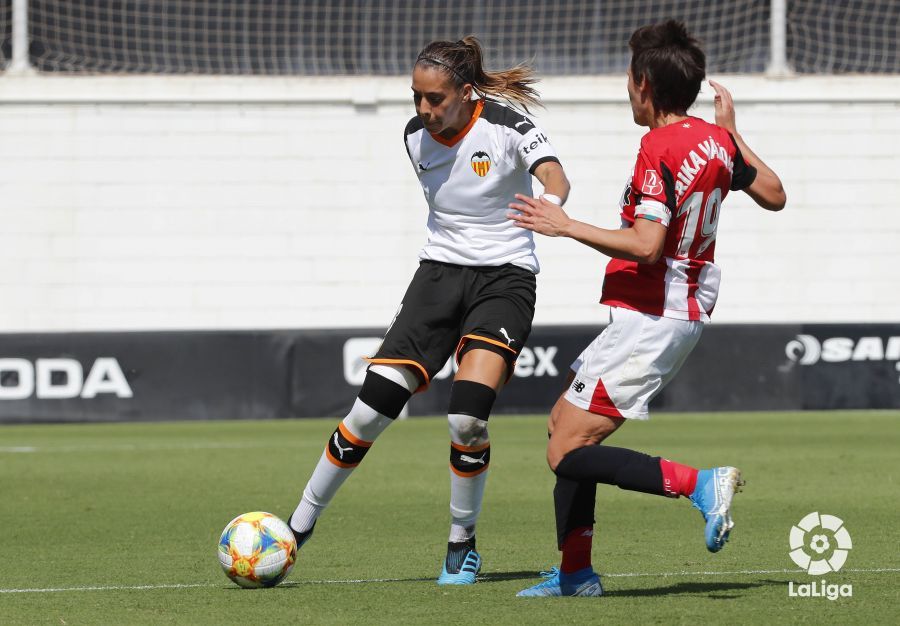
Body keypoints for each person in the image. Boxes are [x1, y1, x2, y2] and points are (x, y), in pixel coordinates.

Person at [509, 20, 786, 597]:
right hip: (663, 312)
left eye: (629, 80)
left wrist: (565, 226)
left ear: (644, 86)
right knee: (564, 427)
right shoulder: (712, 141)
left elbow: (645, 244)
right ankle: (576, 574)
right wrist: (732, 135)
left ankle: (698, 485)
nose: (626, 90)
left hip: (657, 315)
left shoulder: (657, 147)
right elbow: (774, 194)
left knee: (567, 448)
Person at [286, 36, 571, 585]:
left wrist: (551, 207)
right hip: (437, 280)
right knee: (369, 411)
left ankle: (462, 544)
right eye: (416, 95)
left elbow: (555, 174)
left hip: (505, 281)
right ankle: (295, 529)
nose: (423, 109)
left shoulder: (509, 126)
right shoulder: (416, 137)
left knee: (466, 418)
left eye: (435, 98)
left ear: (466, 93)